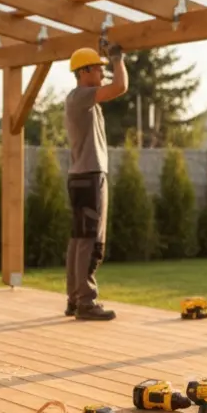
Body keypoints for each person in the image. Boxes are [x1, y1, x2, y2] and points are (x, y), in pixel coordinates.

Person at [63, 42, 128, 321]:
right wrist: (118, 59)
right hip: (90, 176)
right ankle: (86, 303)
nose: (103, 73)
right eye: (99, 68)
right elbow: (120, 87)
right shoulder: (81, 96)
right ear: (84, 71)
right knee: (92, 241)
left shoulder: (81, 98)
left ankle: (75, 299)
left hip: (81, 176)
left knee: (79, 239)